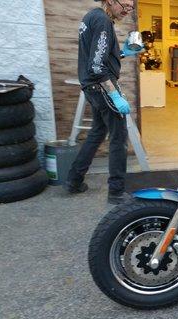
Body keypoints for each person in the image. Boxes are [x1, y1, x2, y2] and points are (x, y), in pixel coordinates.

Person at [63, 0, 143, 205]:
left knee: (98, 132)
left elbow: (98, 54)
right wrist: (114, 95)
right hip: (102, 86)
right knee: (119, 137)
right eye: (124, 5)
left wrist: (124, 52)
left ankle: (74, 180)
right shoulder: (103, 21)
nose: (127, 10)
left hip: (91, 87)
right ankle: (116, 191)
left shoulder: (92, 17)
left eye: (130, 7)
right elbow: (97, 66)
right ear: (109, 0)